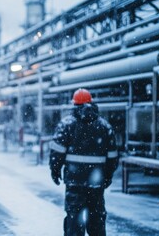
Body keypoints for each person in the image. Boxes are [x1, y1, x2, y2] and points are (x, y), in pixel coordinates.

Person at [49, 88, 119, 236]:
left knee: (74, 220)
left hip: (75, 182)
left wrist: (55, 170)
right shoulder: (105, 126)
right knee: (97, 221)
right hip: (96, 181)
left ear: (74, 104)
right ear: (91, 103)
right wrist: (108, 175)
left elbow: (57, 152)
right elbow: (112, 156)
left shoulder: (66, 125)